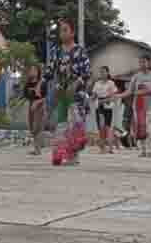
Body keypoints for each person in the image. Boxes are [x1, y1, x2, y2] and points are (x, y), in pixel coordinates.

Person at [44, 18, 91, 165]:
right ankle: (59, 154)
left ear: (73, 32)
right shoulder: (56, 51)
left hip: (76, 93)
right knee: (61, 124)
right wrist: (41, 83)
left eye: (65, 30)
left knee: (75, 123)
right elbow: (49, 71)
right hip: (61, 91)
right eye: (60, 30)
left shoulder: (80, 51)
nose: (62, 33)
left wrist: (76, 83)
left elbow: (87, 73)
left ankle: (73, 156)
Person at [117, 55, 151, 158]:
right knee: (140, 128)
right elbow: (129, 91)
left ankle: (150, 150)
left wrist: (147, 90)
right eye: (140, 62)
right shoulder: (136, 76)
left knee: (149, 129)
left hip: (150, 106)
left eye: (144, 62)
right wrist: (117, 96)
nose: (142, 64)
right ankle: (143, 150)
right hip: (138, 107)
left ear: (149, 63)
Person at [91, 66, 118, 154]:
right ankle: (102, 148)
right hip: (99, 106)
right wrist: (89, 99)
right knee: (101, 127)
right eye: (101, 72)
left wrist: (106, 100)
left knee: (108, 127)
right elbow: (94, 96)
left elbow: (113, 96)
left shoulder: (111, 83)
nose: (102, 73)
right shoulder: (97, 83)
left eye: (104, 72)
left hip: (108, 106)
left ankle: (110, 147)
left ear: (107, 73)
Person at [24, 64, 47, 155]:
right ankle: (36, 148)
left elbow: (45, 97)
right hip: (31, 105)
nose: (32, 72)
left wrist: (37, 102)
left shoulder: (42, 82)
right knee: (31, 126)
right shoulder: (28, 83)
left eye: (34, 70)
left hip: (40, 106)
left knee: (37, 127)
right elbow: (25, 94)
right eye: (31, 70)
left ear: (38, 72)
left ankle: (38, 149)